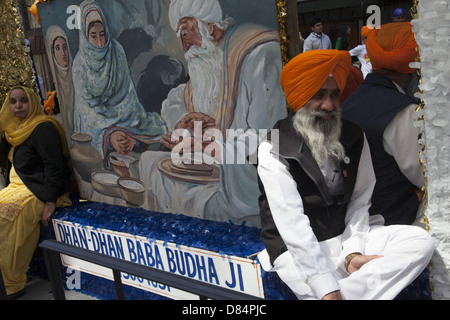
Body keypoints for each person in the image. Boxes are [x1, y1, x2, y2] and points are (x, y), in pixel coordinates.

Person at [256, 49, 434, 300]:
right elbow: (293, 227)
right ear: (299, 97)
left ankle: (347, 294)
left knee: (418, 241)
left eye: (334, 95)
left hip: (347, 239)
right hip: (296, 251)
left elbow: (361, 201)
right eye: (318, 95)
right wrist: (325, 286)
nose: (329, 105)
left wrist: (351, 253)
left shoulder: (352, 134)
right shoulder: (273, 147)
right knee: (316, 282)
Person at [137, 0, 287, 226]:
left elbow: (269, 140)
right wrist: (182, 126)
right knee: (148, 162)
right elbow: (175, 100)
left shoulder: (259, 56)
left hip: (242, 175)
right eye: (180, 35)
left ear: (210, 27)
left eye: (187, 31)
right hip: (213, 163)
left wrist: (210, 144)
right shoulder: (207, 65)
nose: (185, 45)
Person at [341, 22, 424, 226]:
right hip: (395, 220)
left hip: (356, 218)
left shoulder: (352, 100)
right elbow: (424, 176)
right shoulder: (404, 111)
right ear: (412, 71)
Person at [0, 86, 72, 299]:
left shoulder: (42, 128)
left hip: (37, 191)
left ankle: (11, 283)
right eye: (13, 101)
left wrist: (50, 202)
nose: (18, 105)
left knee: (8, 220)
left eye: (23, 100)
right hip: (16, 188)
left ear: (33, 102)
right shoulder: (15, 130)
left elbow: (54, 166)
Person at [72, 0, 166, 159]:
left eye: (102, 34)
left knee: (147, 134)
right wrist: (111, 134)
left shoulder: (116, 52)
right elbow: (86, 111)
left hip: (124, 117)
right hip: (95, 124)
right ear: (85, 37)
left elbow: (127, 95)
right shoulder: (80, 66)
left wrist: (122, 130)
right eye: (93, 36)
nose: (100, 42)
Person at [45, 25, 74, 143]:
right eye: (57, 48)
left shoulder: (79, 77)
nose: (63, 53)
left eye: (64, 47)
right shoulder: (56, 85)